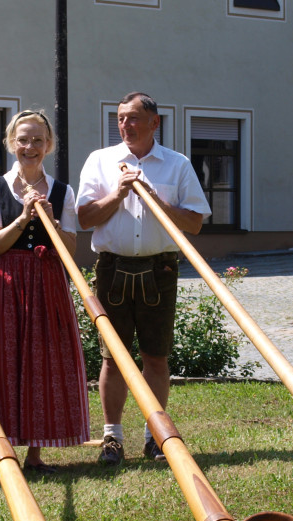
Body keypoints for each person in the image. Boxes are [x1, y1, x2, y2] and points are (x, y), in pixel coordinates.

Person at [77, 92, 211, 466]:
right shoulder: (100, 161)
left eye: (134, 118)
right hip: (111, 267)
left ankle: (155, 436)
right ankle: (112, 438)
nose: (126, 125)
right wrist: (119, 194)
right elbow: (84, 219)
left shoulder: (176, 165)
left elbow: (195, 223)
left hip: (160, 268)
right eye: (121, 118)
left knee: (155, 355)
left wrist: (153, 196)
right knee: (112, 357)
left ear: (155, 123)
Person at [0, 109, 89, 472]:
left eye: (37, 140)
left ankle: (36, 452)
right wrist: (22, 217)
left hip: (47, 280)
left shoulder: (63, 191)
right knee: (2, 363)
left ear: (48, 145)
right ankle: (2, 452)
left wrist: (49, 218)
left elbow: (69, 248)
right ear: (10, 143)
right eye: (22, 139)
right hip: (6, 281)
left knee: (44, 361)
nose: (29, 146)